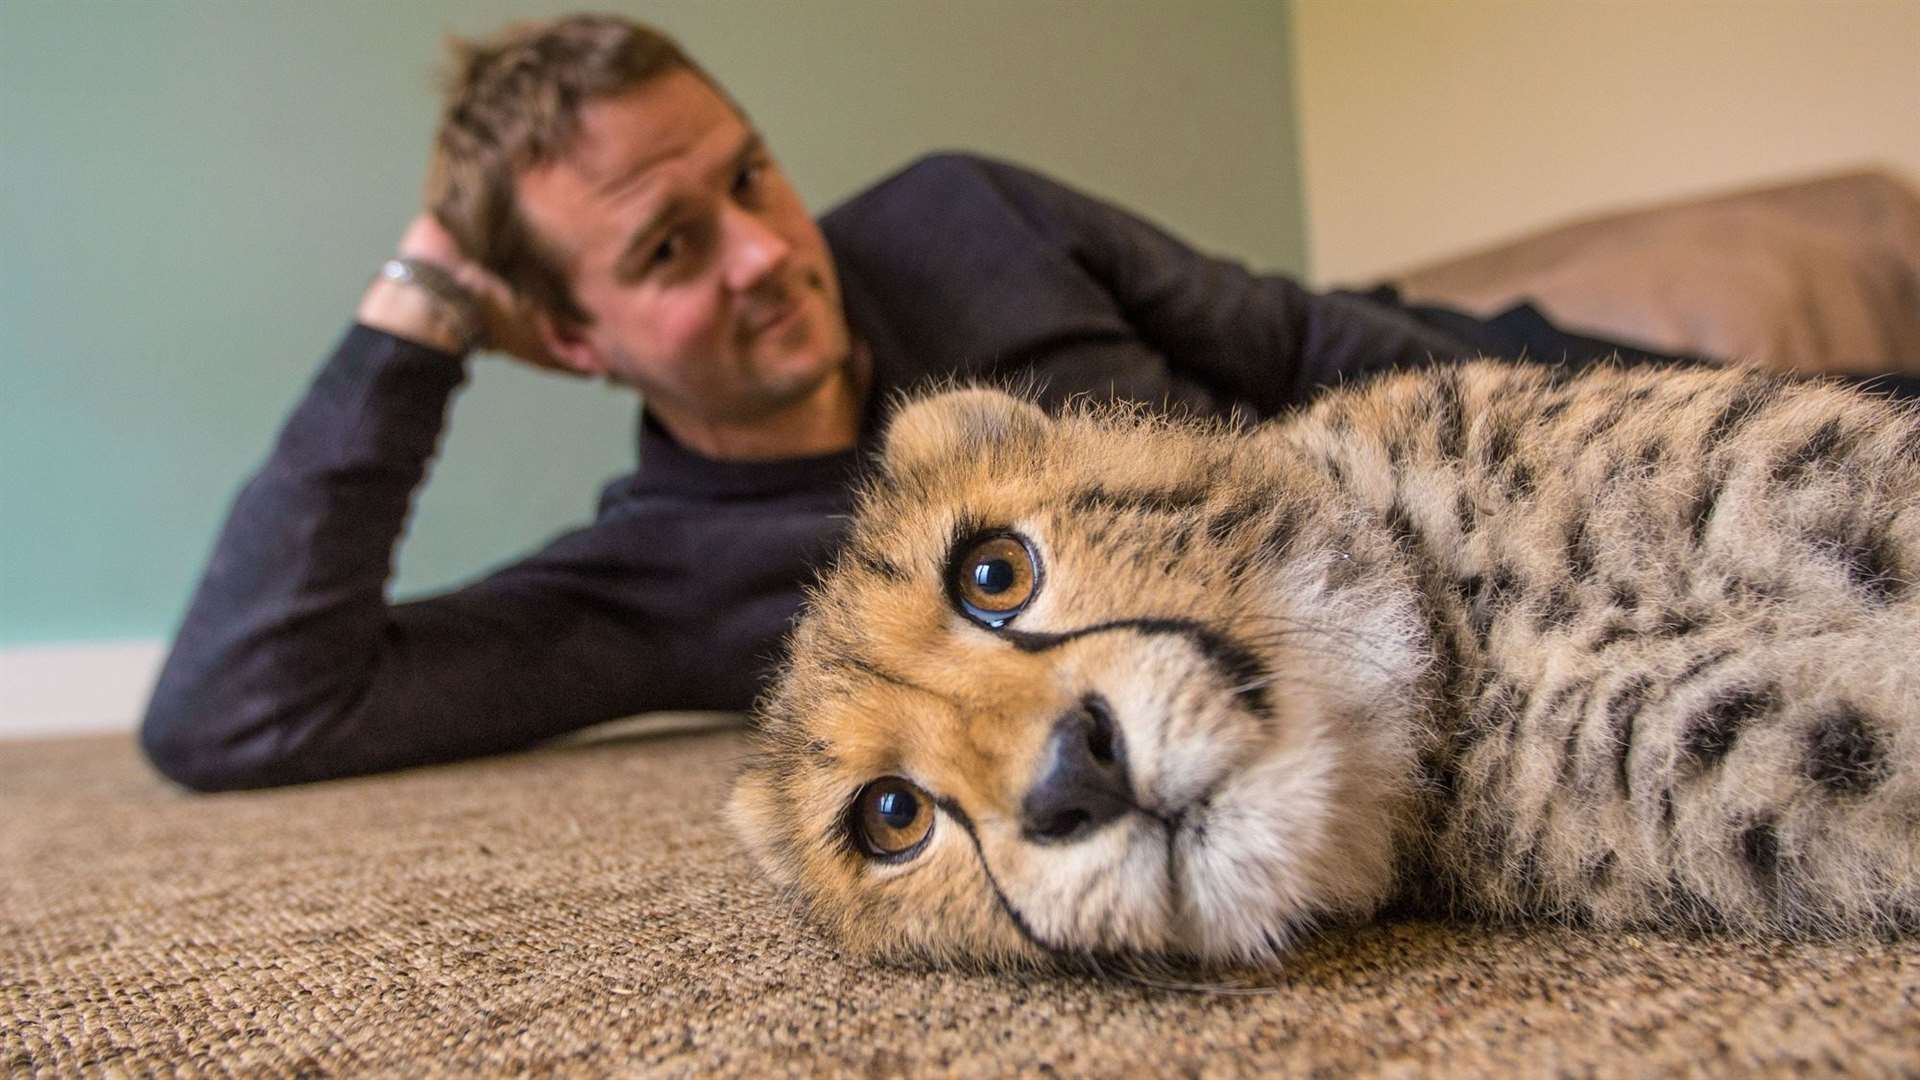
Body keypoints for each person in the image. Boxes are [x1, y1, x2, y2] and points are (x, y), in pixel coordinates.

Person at [138, 14, 1706, 791]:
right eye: (672, 249)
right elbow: (241, 709)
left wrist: (1680, 432)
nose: (767, 253)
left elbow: (1305, 344)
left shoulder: (964, 217)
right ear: (570, 338)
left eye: (749, 173)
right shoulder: (655, 586)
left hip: (1459, 421)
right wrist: (412, 318)